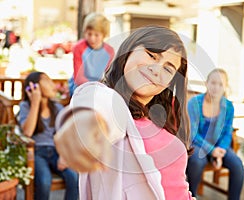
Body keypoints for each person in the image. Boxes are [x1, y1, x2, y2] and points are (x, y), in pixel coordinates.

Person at [54, 26, 195, 199]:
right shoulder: (108, 100)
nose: (157, 69)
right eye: (152, 55)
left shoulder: (163, 115)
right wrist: (85, 126)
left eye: (168, 69)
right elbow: (99, 109)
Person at [18, 72, 78, 200]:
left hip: (57, 150)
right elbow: (27, 132)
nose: (52, 84)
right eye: (46, 80)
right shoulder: (25, 106)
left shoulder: (57, 107)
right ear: (34, 87)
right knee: (44, 181)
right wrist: (35, 102)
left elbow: (65, 134)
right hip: (37, 152)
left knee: (74, 177)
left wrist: (63, 156)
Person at [186, 68, 244, 200]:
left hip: (219, 147)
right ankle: (190, 197)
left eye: (221, 84)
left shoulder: (228, 106)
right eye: (213, 82)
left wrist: (221, 152)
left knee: (237, 165)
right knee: (197, 162)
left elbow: (227, 133)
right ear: (206, 83)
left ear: (225, 87)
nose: (216, 87)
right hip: (198, 145)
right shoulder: (194, 103)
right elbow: (193, 134)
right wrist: (212, 151)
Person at [68, 12, 115, 96]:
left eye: (96, 35)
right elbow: (79, 78)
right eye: (89, 34)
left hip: (99, 87)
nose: (92, 38)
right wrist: (94, 88)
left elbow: (108, 77)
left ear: (104, 35)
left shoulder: (109, 51)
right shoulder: (78, 48)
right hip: (80, 87)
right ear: (85, 32)